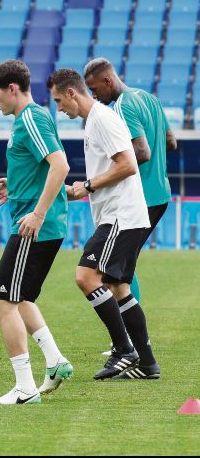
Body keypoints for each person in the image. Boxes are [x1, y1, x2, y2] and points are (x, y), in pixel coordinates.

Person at [48, 68, 160, 380]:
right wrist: (78, 189)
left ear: (71, 93)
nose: (59, 108)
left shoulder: (101, 119)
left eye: (58, 101)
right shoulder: (95, 120)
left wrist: (88, 186)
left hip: (120, 216)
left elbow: (127, 165)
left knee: (86, 276)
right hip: (121, 215)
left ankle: (124, 350)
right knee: (118, 286)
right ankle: (147, 365)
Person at [0, 60, 72, 405]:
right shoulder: (28, 119)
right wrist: (16, 185)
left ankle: (25, 388)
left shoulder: (31, 118)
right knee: (20, 300)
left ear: (12, 88)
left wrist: (37, 213)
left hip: (34, 227)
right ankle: (56, 361)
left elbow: (60, 165)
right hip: (35, 223)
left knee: (2, 303)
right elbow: (41, 167)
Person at [83, 58, 178, 354]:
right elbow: (170, 142)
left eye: (94, 88)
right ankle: (131, 341)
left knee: (117, 271)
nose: (93, 95)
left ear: (108, 81)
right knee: (122, 267)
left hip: (139, 198)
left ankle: (129, 342)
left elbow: (141, 151)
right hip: (161, 193)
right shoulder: (149, 98)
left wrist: (110, 171)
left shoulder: (122, 106)